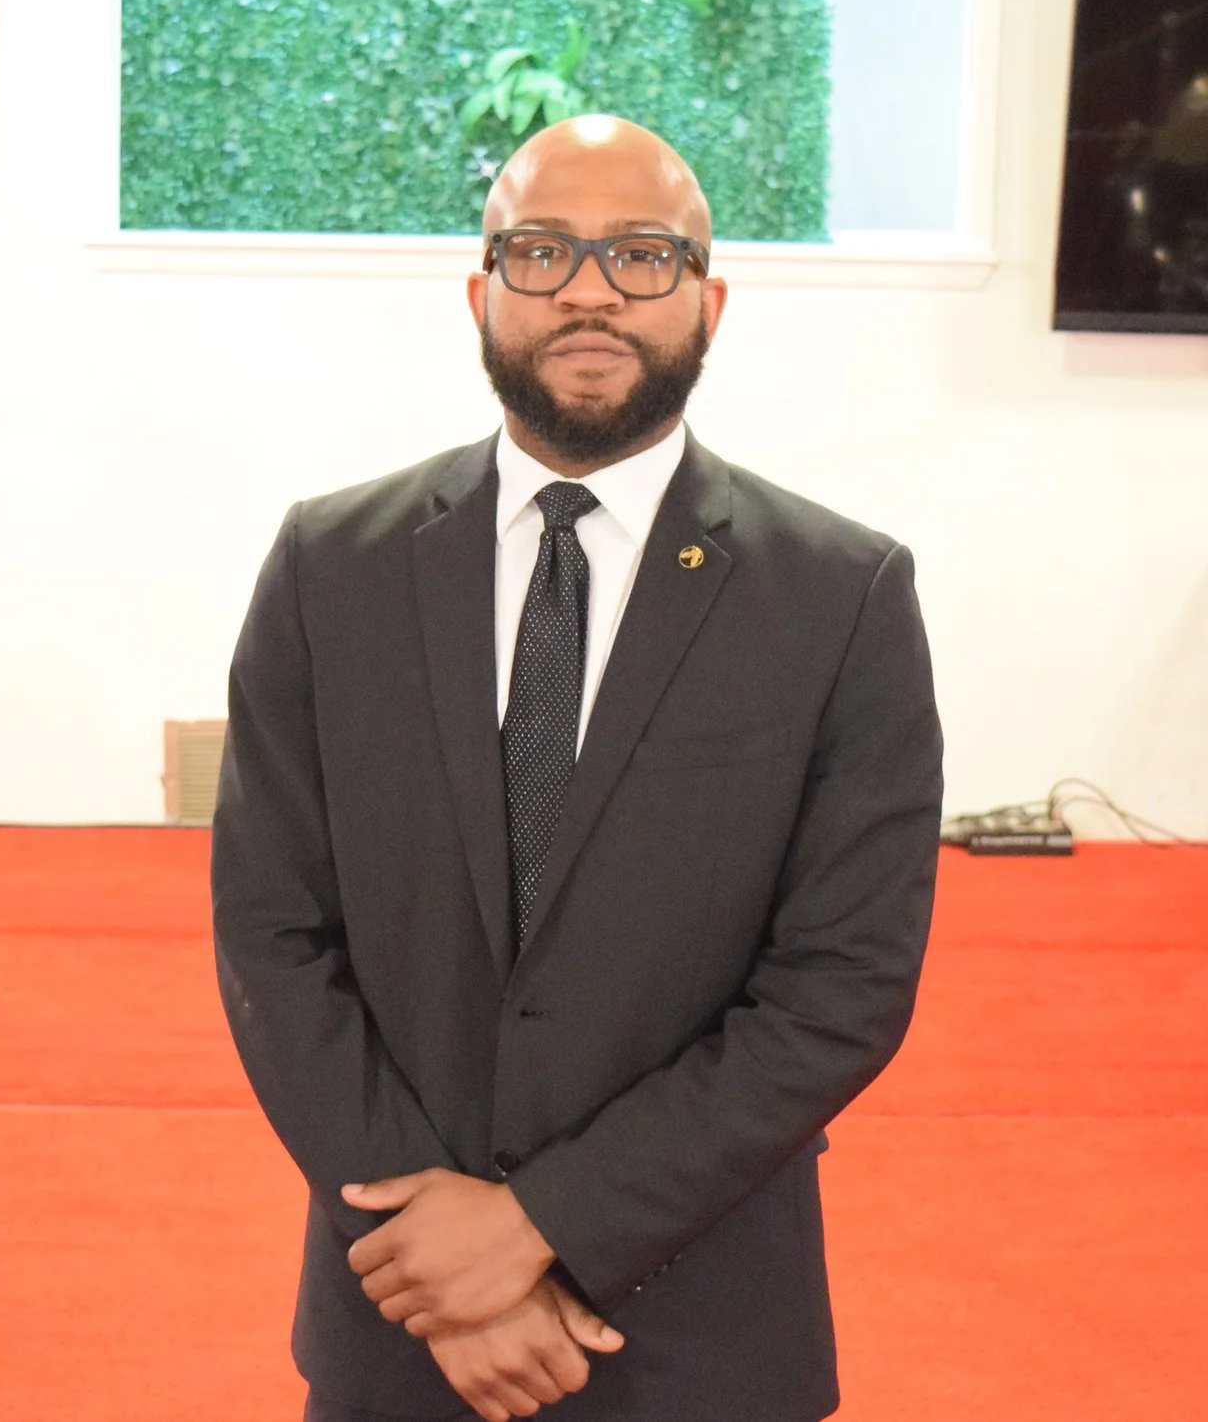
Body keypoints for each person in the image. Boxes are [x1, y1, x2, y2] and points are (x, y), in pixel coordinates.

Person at [210, 114, 943, 1422]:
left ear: (709, 300)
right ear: (481, 290)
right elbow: (273, 938)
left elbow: (842, 987)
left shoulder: (842, 595)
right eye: (542, 251)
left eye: (642, 256)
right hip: (404, 1316)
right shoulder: (333, 567)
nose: (591, 288)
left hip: (698, 1326)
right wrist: (444, 1263)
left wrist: (543, 1225)